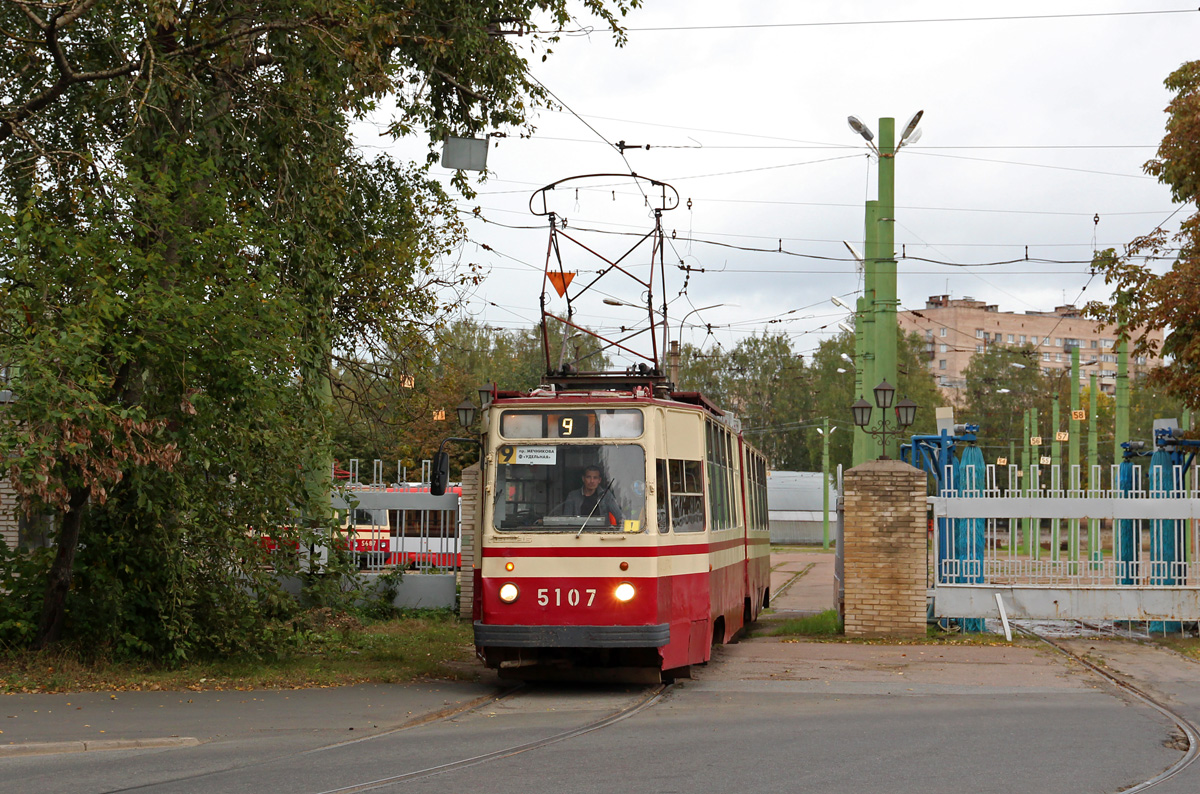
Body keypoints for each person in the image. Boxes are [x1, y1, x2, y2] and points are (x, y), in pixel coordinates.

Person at [560, 465, 624, 525]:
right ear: (583, 479)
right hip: (578, 532)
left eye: (595, 478)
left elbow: (619, 516)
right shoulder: (573, 496)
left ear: (599, 480)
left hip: (602, 532)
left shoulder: (606, 495)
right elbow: (566, 520)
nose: (592, 481)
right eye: (588, 477)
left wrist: (622, 522)